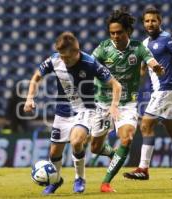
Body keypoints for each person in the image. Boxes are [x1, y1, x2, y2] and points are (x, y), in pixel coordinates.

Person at [23, 32, 121, 195]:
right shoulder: (55, 59)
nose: (63, 60)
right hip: (62, 112)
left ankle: (79, 178)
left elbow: (116, 85)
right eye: (61, 57)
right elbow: (36, 77)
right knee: (54, 152)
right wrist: (29, 98)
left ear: (77, 52)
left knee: (76, 142)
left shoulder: (90, 63)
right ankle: (55, 180)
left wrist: (114, 106)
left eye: (67, 58)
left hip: (86, 110)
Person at [90, 8, 164, 192]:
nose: (115, 36)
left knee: (127, 138)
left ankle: (106, 182)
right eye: (112, 33)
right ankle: (112, 154)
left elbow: (150, 60)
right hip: (103, 103)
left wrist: (156, 67)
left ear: (128, 31)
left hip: (127, 103)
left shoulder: (138, 47)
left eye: (119, 32)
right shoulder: (103, 48)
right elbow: (88, 64)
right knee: (95, 148)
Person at [123, 7, 172, 180]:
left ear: (160, 21)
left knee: (146, 126)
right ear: (143, 23)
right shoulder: (144, 44)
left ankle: (143, 169)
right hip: (159, 91)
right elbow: (141, 70)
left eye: (153, 20)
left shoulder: (167, 39)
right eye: (147, 21)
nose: (150, 23)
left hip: (165, 89)